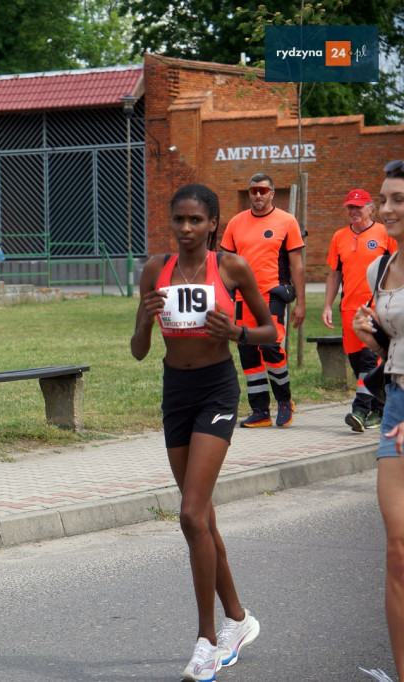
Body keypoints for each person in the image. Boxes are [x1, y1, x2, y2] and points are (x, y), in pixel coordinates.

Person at [132, 184, 274, 681]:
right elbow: (137, 350)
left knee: (191, 515)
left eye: (196, 220)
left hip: (216, 390)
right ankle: (239, 618)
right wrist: (146, 322)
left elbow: (270, 332)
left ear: (213, 223)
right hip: (176, 393)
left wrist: (234, 333)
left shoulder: (230, 268)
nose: (186, 228)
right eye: (179, 220)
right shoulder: (156, 269)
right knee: (204, 520)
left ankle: (207, 641)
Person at [354, 160, 404, 682]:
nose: (387, 209)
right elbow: (395, 346)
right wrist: (373, 334)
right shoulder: (380, 270)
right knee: (397, 551)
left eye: (398, 200)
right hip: (396, 406)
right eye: (385, 199)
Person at [220, 172, 306, 428]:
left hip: (272, 294)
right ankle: (260, 411)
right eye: (253, 190)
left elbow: (297, 265)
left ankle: (284, 401)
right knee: (248, 352)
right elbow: (225, 264)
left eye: (263, 190)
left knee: (270, 346)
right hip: (241, 298)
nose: (258, 195)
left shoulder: (287, 221)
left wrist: (301, 303)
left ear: (272, 192)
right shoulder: (236, 222)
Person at [323, 188, 396, 432]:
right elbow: (334, 274)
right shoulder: (339, 237)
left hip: (377, 309)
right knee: (357, 362)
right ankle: (379, 408)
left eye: (358, 207)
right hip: (349, 311)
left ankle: (360, 409)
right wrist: (327, 306)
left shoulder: (385, 234)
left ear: (370, 208)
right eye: (350, 207)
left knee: (368, 359)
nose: (353, 211)